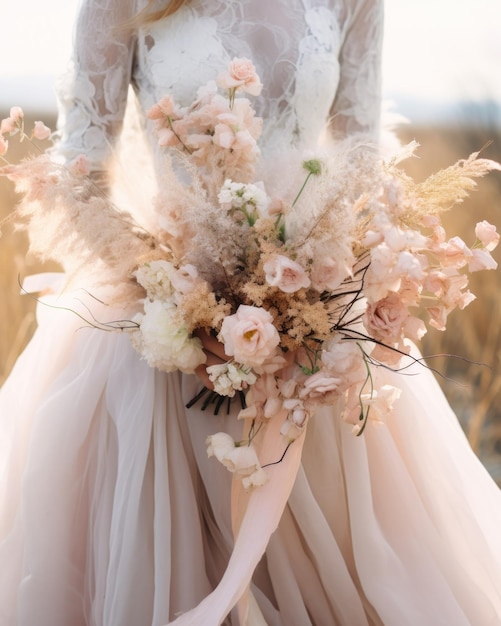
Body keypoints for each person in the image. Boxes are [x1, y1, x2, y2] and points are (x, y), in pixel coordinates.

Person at [1, 1, 501, 624]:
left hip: (313, 332)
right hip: (159, 337)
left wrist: (316, 299)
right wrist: (175, 300)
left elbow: (360, 151)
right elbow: (78, 170)